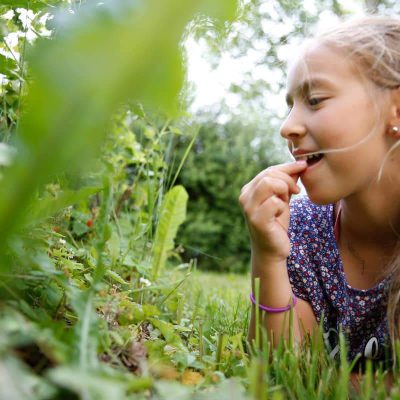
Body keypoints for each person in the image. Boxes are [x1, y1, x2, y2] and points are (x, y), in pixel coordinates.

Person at [239, 16, 400, 369]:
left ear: (396, 109)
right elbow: (283, 366)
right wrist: (267, 255)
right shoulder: (303, 227)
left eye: (314, 100)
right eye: (290, 105)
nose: (287, 127)